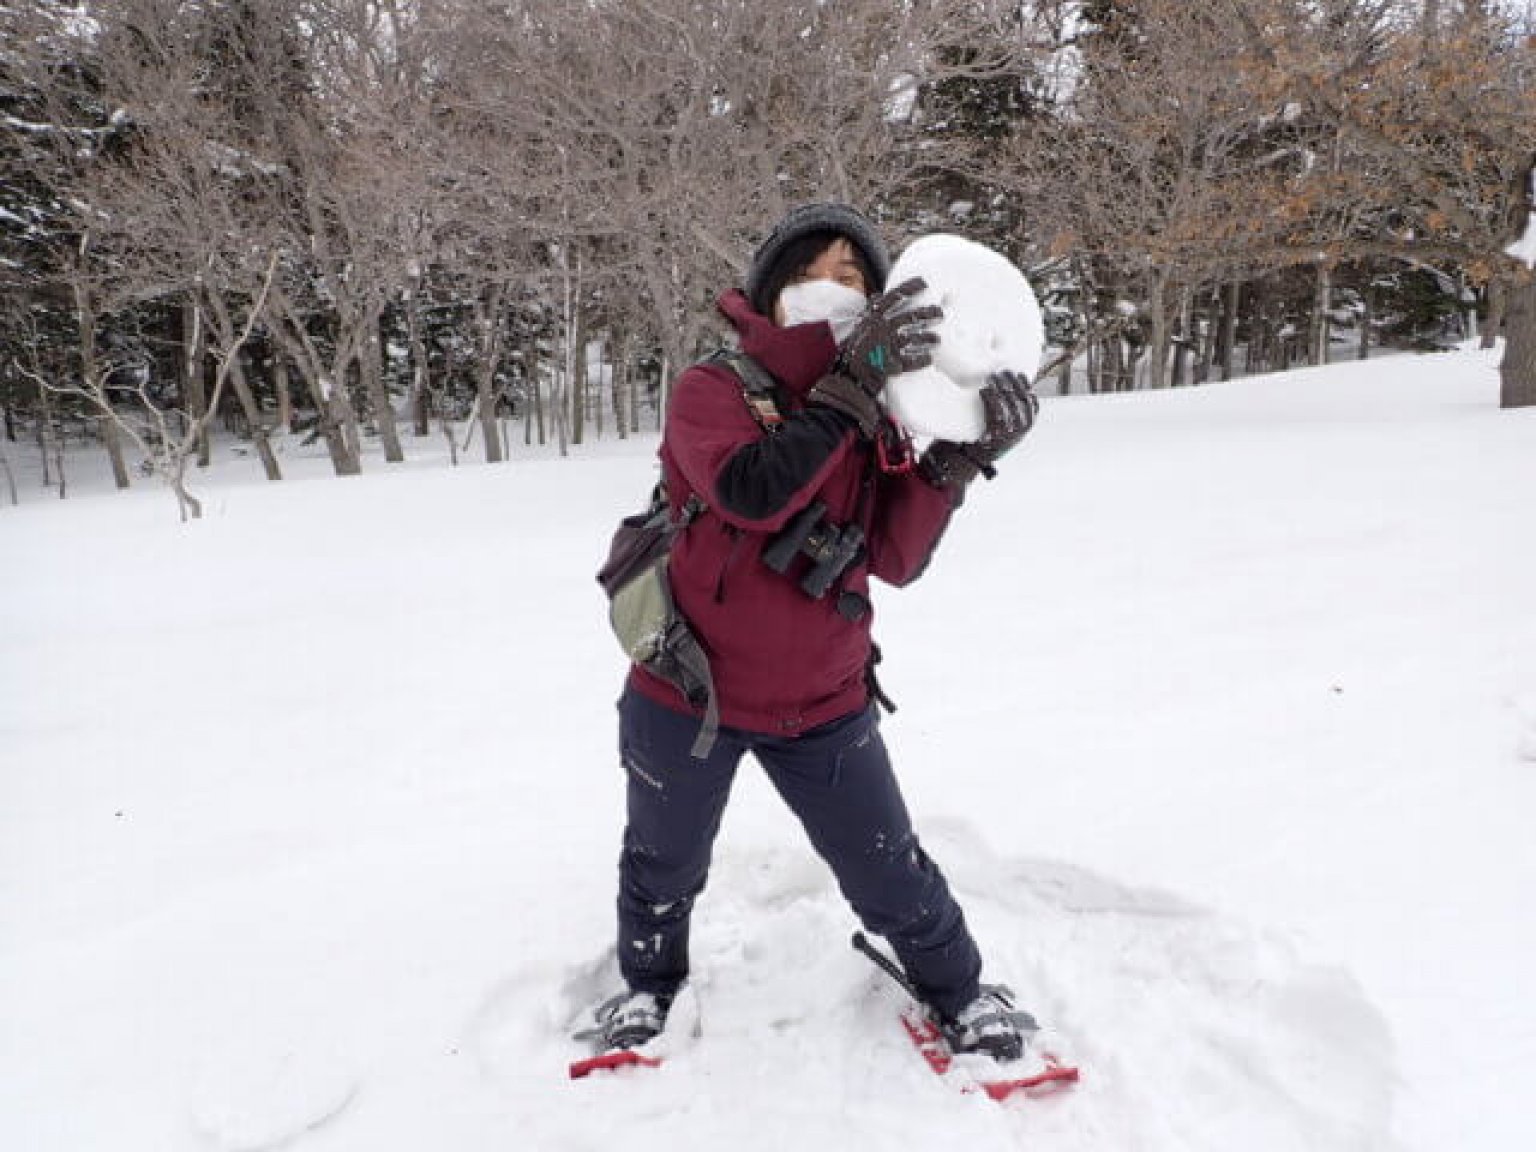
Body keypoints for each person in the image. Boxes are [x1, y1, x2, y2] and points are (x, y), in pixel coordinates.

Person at [591, 203, 1039, 1062]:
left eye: (851, 279)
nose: (829, 290)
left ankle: (959, 992)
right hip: (689, 694)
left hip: (824, 702)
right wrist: (849, 389)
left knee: (890, 872)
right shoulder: (711, 391)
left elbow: (893, 559)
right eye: (812, 272)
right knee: (664, 865)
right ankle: (649, 989)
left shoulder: (877, 409)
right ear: (771, 289)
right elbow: (754, 491)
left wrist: (957, 461)